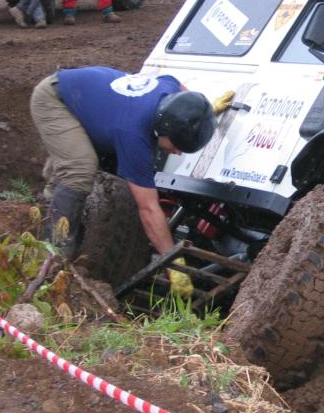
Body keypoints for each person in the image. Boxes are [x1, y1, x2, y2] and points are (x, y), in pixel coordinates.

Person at [30, 66, 219, 266]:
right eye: (177, 146)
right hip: (56, 99)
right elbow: (148, 208)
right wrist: (172, 262)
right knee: (80, 169)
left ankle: (45, 209)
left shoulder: (170, 91)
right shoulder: (133, 136)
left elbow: (179, 86)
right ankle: (55, 251)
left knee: (76, 162)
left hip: (86, 95)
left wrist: (203, 115)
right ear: (163, 130)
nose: (178, 152)